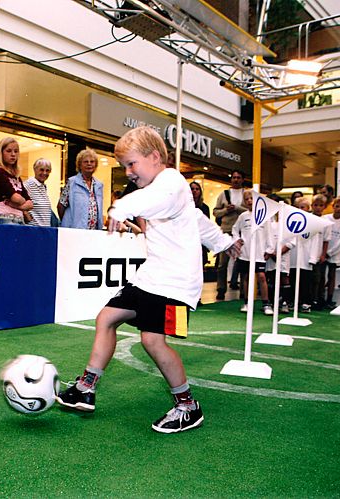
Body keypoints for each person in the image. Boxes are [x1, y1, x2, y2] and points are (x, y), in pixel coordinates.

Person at [56, 126, 240, 434]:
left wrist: (121, 207)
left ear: (155, 157)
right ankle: (86, 388)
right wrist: (224, 243)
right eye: (124, 166)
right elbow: (199, 223)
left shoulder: (171, 183)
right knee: (107, 318)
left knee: (152, 340)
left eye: (131, 164)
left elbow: (155, 200)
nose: (127, 172)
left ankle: (187, 407)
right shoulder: (163, 190)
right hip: (151, 277)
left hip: (174, 282)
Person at [231, 190, 274, 315]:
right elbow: (235, 229)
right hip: (245, 253)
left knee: (261, 277)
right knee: (246, 277)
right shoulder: (243, 216)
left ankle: (266, 304)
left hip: (259, 253)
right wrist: (237, 240)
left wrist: (269, 249)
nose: (249, 201)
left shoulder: (265, 216)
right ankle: (247, 303)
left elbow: (270, 233)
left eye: (252, 198)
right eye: (247, 199)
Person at [212, 169, 247, 300]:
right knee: (222, 263)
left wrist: (237, 208)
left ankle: (244, 290)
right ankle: (221, 289)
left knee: (243, 262)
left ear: (243, 179)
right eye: (234, 177)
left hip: (242, 232)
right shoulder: (224, 194)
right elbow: (215, 212)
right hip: (226, 230)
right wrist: (226, 210)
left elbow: (252, 211)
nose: (236, 180)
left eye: (238, 177)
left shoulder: (246, 194)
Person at [0, 137, 32, 225]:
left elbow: (30, 204)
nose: (13, 154)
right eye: (8, 151)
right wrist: (21, 203)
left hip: (19, 219)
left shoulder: (17, 176)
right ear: (1, 153)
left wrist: (14, 204)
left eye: (16, 151)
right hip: (5, 218)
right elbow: (15, 197)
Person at [58, 148, 103, 229]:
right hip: (75, 231)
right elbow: (61, 206)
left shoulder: (99, 185)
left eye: (92, 161)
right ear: (79, 165)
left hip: (94, 232)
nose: (89, 164)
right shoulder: (72, 182)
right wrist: (69, 222)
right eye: (86, 162)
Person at [322, 196, 340, 309]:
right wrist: (323, 252)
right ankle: (320, 298)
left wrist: (330, 252)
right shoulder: (325, 218)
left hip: (334, 254)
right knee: (321, 276)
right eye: (337, 206)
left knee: (331, 276)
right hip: (322, 253)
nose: (338, 209)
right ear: (333, 207)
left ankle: (329, 299)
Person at [308, 194, 329, 310]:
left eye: (321, 205)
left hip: (318, 255)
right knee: (308, 279)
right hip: (307, 254)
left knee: (318, 279)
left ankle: (317, 300)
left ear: (324, 207)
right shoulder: (308, 218)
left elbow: (326, 240)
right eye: (315, 205)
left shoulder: (326, 222)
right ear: (312, 206)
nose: (318, 207)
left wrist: (323, 254)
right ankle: (307, 300)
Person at [23, 158, 55, 227]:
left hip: (44, 230)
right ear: (35, 169)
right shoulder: (28, 184)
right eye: (41, 170)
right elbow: (18, 203)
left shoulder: (43, 186)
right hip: (33, 230)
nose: (44, 173)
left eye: (47, 170)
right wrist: (25, 213)